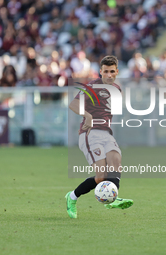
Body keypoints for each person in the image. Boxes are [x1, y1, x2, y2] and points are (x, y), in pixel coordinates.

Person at [66, 55, 133, 219]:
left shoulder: (117, 89)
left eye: (112, 71)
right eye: (105, 72)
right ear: (100, 72)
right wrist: (88, 116)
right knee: (101, 176)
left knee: (116, 161)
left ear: (116, 72)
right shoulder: (91, 87)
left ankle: (112, 199)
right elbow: (73, 104)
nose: (109, 75)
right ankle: (72, 197)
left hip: (106, 133)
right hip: (90, 134)